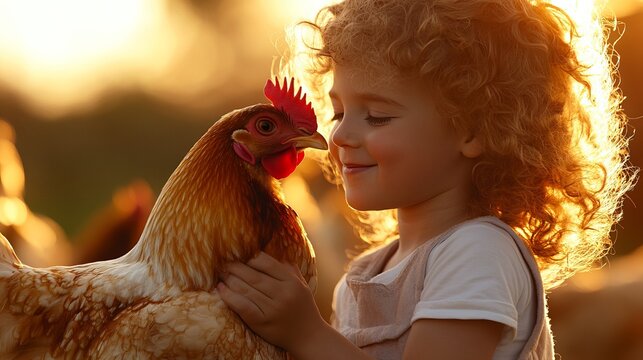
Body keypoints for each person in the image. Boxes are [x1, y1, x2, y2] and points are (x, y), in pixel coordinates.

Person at [217, 0, 636, 358]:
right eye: (340, 111)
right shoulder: (363, 276)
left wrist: (307, 334)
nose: (340, 135)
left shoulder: (477, 252)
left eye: (377, 115)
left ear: (473, 130)